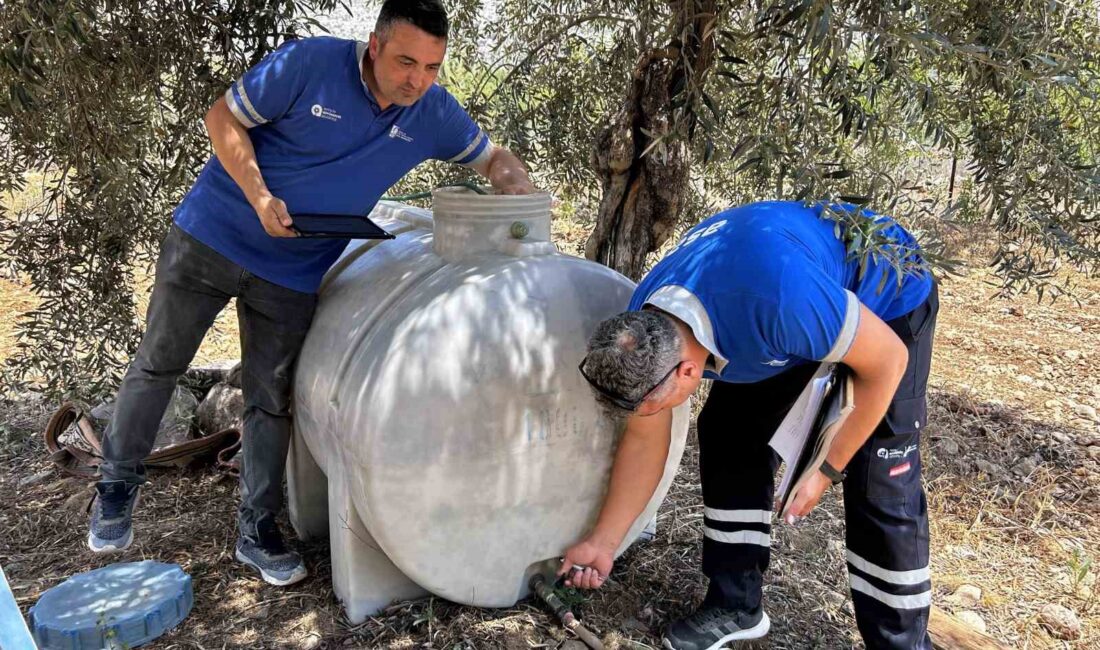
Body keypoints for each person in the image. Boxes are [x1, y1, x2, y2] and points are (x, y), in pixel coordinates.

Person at [87, 0, 535, 587]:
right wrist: (259, 196)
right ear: (374, 45)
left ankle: (258, 528)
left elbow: (493, 158)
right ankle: (117, 487)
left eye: (431, 67)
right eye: (405, 62)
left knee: (271, 400)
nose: (417, 80)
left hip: (293, 271)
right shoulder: (307, 65)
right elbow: (222, 117)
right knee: (159, 364)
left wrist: (519, 191)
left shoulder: (430, 111)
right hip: (211, 240)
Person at [561, 200, 938, 650]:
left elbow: (887, 361)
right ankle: (735, 605)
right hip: (777, 304)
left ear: (686, 373)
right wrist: (603, 543)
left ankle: (900, 643)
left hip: (889, 294)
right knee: (728, 432)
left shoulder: (781, 304)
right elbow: (644, 444)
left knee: (879, 478)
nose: (649, 417)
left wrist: (826, 469)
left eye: (651, 407)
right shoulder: (646, 324)